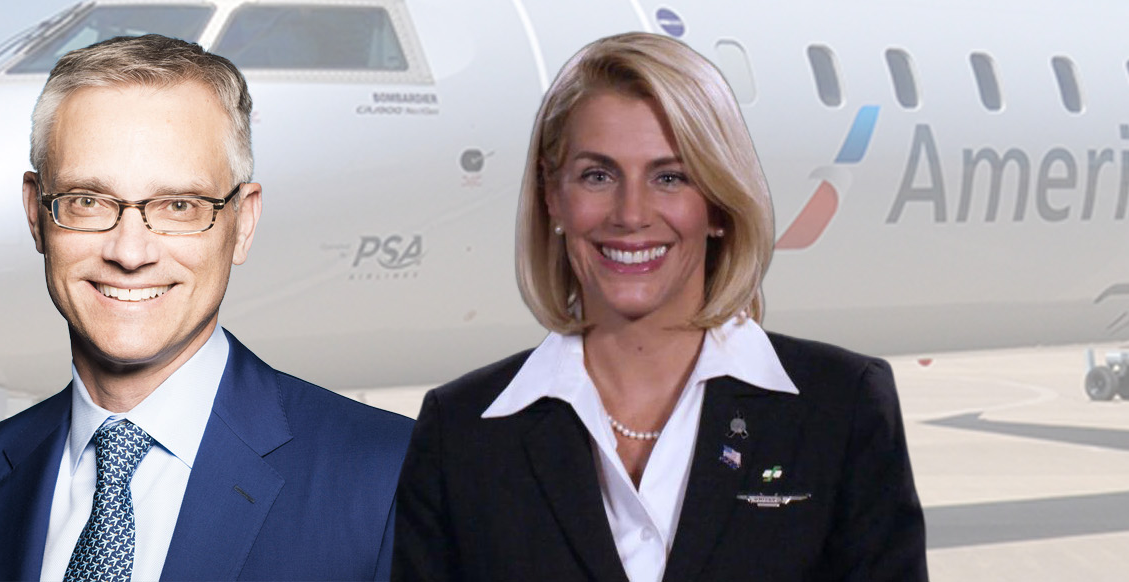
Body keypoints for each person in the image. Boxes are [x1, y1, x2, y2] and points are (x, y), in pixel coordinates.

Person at [392, 32, 926, 581]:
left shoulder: (843, 406)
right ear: (553, 196)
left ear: (718, 204)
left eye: (670, 177)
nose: (630, 213)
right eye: (598, 176)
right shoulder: (460, 434)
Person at [0, 34, 413, 581]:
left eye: (180, 205)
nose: (130, 252)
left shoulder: (391, 479)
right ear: (35, 213)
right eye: (88, 201)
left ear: (244, 223)